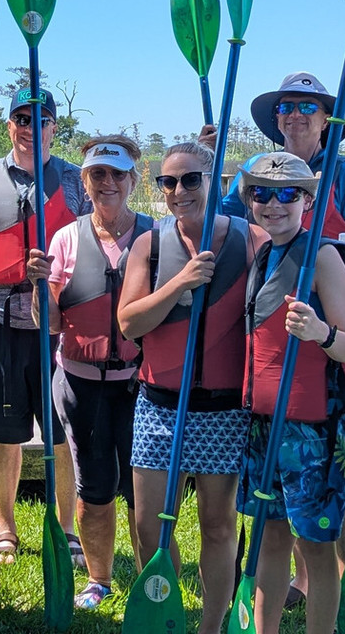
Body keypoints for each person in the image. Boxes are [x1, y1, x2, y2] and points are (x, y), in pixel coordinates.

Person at [212, 71, 345, 606]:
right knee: (273, 533)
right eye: (287, 106)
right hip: (264, 404)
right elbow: (228, 226)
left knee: (328, 510)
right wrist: (214, 174)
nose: (297, 114)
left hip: (320, 379)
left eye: (309, 105)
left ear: (327, 118)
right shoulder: (255, 179)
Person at [118, 141, 250, 634]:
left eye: (191, 179)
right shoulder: (150, 245)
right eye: (168, 182)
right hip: (159, 406)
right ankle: (167, 611)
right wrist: (182, 283)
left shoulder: (251, 239)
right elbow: (129, 324)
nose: (179, 191)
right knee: (150, 528)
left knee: (217, 527)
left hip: (222, 409)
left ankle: (212, 625)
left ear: (213, 180)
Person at [24, 134, 153, 609]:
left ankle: (149, 578)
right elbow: (51, 323)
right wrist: (40, 287)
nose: (108, 183)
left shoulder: (155, 236)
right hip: (81, 384)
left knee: (145, 497)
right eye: (98, 175)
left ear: (132, 182)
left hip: (144, 388)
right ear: (86, 182)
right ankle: (98, 579)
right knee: (92, 491)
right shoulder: (65, 239)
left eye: (117, 174)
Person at [235, 152, 345, 634]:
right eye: (261, 193)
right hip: (262, 427)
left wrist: (319, 333)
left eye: (288, 193)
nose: (273, 204)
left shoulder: (324, 256)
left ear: (308, 200)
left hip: (311, 432)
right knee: (268, 539)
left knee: (315, 546)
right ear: (249, 201)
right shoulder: (262, 254)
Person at [0, 87, 90, 567]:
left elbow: (93, 245)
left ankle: (65, 527)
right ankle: (5, 527)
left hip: (58, 323)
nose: (30, 128)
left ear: (54, 128)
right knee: (2, 432)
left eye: (41, 120)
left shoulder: (77, 182)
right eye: (21, 118)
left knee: (61, 432)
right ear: (9, 125)